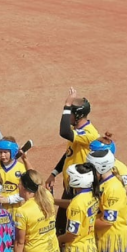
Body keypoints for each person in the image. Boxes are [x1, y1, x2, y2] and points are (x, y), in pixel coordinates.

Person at [45, 87, 100, 234]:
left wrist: (66, 106)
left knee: (72, 229)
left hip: (81, 188)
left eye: (70, 114)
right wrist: (54, 173)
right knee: (60, 226)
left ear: (78, 114)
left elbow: (64, 132)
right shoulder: (76, 131)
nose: (68, 117)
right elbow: (68, 154)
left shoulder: (89, 133)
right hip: (70, 185)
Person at [0, 137, 28, 211]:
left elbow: (26, 192)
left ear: (13, 152)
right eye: (0, 152)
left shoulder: (21, 168)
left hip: (17, 209)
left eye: (5, 152)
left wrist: (8, 199)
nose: (2, 155)